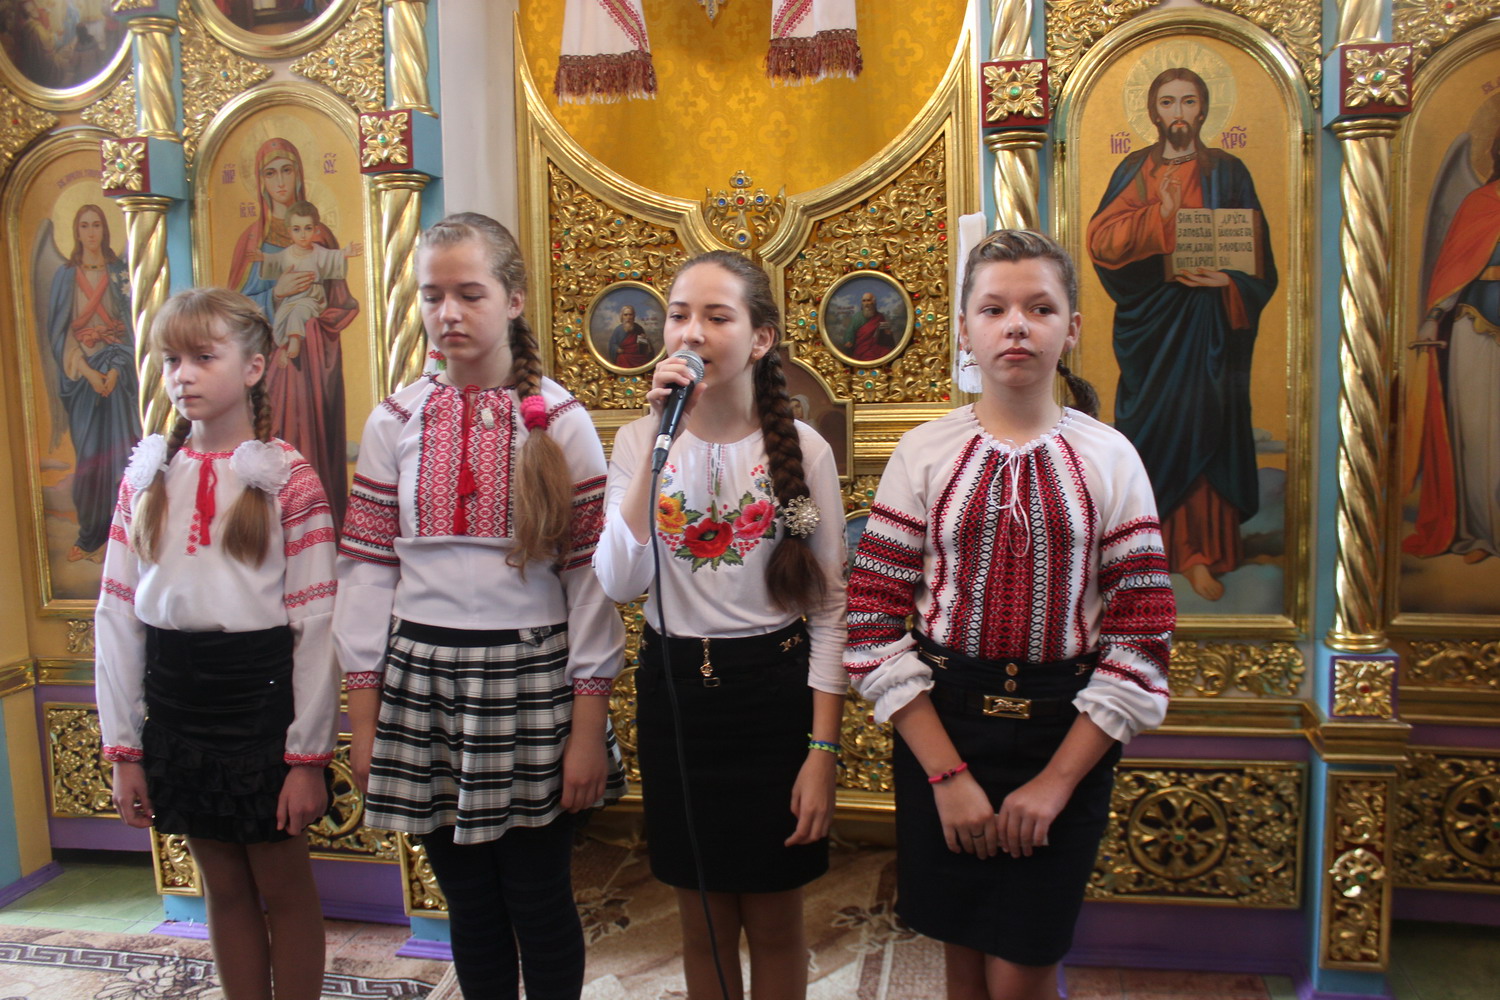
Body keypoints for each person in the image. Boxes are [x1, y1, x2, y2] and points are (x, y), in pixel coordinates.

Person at [845, 230, 1174, 1000]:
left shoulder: (1111, 458)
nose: (1017, 325)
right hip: (943, 724)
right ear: (965, 329)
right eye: (993, 309)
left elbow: (1142, 635)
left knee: (1025, 968)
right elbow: (872, 623)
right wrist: (947, 775)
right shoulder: (923, 453)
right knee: (962, 960)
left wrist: (1056, 783)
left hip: (1067, 732)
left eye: (1039, 308)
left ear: (1072, 327)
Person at [335, 212, 625, 1000]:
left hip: (532, 679)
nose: (448, 314)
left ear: (514, 299)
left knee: (537, 895)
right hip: (420, 683)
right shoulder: (395, 420)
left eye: (470, 294)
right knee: (466, 897)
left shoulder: (560, 422)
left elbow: (589, 582)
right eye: (432, 296)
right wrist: (365, 719)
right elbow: (367, 571)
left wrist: (587, 730)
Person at [594, 250, 847, 1000]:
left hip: (772, 699)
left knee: (773, 920)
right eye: (679, 315)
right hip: (676, 697)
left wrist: (822, 751)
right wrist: (657, 437)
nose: (692, 332)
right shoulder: (638, 442)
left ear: (760, 338)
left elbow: (830, 605)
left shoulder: (800, 453)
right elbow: (620, 581)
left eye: (716, 316)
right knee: (701, 920)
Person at [94, 287, 340, 1000]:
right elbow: (117, 616)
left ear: (254, 367)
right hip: (177, 702)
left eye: (204, 357)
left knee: (282, 885)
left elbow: (317, 624)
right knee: (222, 887)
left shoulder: (288, 479)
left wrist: (306, 758)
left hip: (260, 701)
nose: (184, 376)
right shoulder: (148, 476)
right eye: (172, 360)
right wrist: (124, 749)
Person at [1086, 67, 1277, 601]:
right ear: (1153, 111)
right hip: (1153, 325)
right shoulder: (1136, 169)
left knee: (1207, 425)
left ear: (1203, 109)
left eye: (1188, 102)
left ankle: (1200, 554)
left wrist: (1229, 281)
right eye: (1167, 102)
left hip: (1211, 324)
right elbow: (1101, 241)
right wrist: (1158, 214)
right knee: (1154, 429)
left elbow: (1257, 252)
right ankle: (1145, 549)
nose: (1178, 113)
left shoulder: (1228, 171)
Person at [229, 137, 359, 531]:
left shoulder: (322, 239)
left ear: (299, 174)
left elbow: (340, 302)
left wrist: (312, 321)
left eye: (287, 170)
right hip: (270, 364)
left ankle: (320, 529)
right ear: (260, 181)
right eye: (271, 173)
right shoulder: (252, 242)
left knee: (313, 445)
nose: (280, 181)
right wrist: (276, 294)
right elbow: (235, 313)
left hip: (314, 361)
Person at [1403, 131, 1500, 563]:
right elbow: (1456, 266)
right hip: (1475, 325)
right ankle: (1480, 533)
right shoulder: (1480, 204)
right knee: (1476, 434)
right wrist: (1433, 315)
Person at [45, 202, 140, 564]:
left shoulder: (120, 273)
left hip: (119, 376)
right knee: (89, 459)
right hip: (83, 379)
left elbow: (133, 326)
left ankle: (125, 534)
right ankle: (91, 537)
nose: (90, 232)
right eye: (84, 225)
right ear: (75, 231)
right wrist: (88, 372)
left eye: (96, 224)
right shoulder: (65, 277)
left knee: (122, 454)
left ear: (106, 229)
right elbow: (58, 334)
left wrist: (114, 369)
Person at [245, 200, 364, 362]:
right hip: (290, 299)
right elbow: (275, 261)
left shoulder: (319, 252)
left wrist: (345, 253)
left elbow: (332, 257)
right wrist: (263, 258)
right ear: (289, 231)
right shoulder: (287, 254)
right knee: (280, 319)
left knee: (298, 313)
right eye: (297, 229)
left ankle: (295, 340)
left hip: (312, 298)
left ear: (315, 230)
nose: (302, 235)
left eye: (308, 228)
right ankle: (284, 347)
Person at [839, 289, 894, 361]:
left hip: (876, 346)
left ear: (873, 302)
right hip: (861, 347)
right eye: (864, 301)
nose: (866, 303)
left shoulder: (880, 316)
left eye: (868, 300)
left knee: (887, 353)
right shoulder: (857, 317)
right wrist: (848, 340)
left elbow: (886, 332)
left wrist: (888, 334)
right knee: (868, 357)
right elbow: (850, 331)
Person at [605, 303, 655, 367]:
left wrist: (645, 339)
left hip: (637, 356)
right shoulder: (618, 330)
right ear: (622, 317)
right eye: (625, 315)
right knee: (621, 358)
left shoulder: (638, 328)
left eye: (630, 315)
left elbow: (644, 348)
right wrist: (617, 349)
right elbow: (612, 344)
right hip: (624, 355)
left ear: (633, 316)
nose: (628, 317)